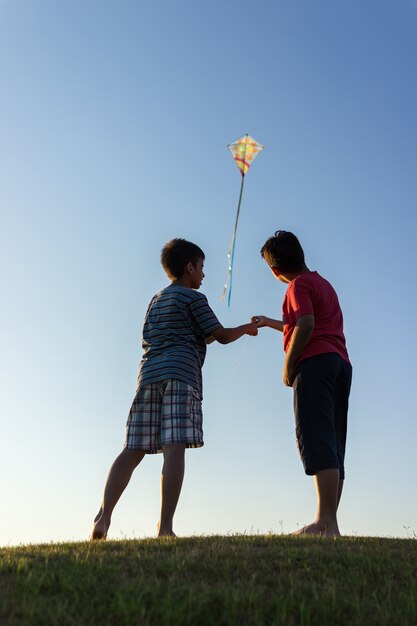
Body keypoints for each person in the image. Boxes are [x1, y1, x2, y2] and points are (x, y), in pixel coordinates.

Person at [91, 238, 258, 540]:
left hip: (149, 375)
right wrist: (245, 328)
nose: (204, 275)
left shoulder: (156, 299)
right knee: (174, 447)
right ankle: (165, 527)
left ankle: (103, 517)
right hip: (181, 375)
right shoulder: (195, 299)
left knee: (133, 448)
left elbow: (188, 335)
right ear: (189, 267)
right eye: (202, 268)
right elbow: (219, 336)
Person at [252, 230, 352, 537]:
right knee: (333, 438)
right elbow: (303, 320)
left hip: (315, 364)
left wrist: (288, 366)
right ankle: (330, 520)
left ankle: (325, 522)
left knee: (316, 434)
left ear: (275, 271)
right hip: (340, 364)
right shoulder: (322, 283)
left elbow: (305, 324)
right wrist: (271, 323)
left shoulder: (296, 286)